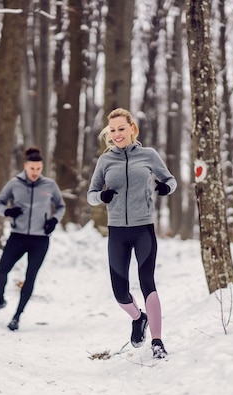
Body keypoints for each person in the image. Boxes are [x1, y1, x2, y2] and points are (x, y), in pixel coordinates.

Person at [87, 108, 177, 359]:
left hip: (143, 228)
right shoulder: (105, 161)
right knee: (119, 291)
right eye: (112, 130)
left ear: (132, 128)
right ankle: (139, 318)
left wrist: (165, 187)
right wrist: (101, 196)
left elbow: (170, 180)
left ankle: (157, 341)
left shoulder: (148, 155)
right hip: (117, 230)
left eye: (121, 129)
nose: (117, 134)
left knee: (148, 281)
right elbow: (91, 194)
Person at [0, 147, 66, 331]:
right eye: (32, 169)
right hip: (18, 236)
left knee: (30, 277)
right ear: (25, 166)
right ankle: (0, 300)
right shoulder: (14, 183)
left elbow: (61, 206)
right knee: (2, 271)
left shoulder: (49, 185)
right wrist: (7, 211)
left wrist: (54, 220)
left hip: (40, 240)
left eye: (38, 169)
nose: (35, 173)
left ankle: (17, 317)